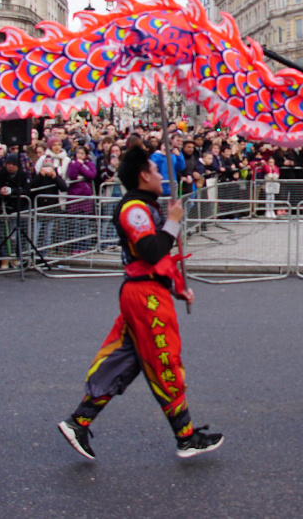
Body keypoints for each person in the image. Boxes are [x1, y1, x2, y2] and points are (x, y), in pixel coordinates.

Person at [57, 145, 223, 461]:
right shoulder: (133, 209)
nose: (161, 176)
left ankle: (79, 421)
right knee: (164, 359)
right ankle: (185, 437)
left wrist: (176, 288)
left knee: (126, 361)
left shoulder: (144, 206)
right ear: (144, 175)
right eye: (157, 170)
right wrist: (173, 222)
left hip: (148, 292)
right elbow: (150, 250)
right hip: (143, 298)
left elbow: (153, 261)